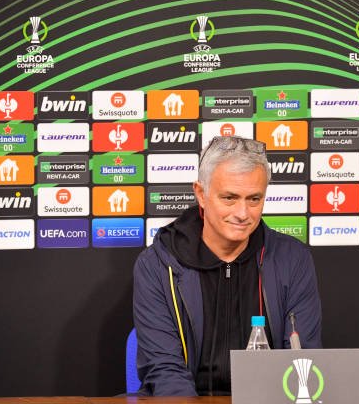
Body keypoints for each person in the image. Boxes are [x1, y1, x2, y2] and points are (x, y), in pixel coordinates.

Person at [132, 136, 322, 396]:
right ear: (201, 194)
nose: (243, 214)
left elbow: (301, 359)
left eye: (254, 199)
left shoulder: (293, 259)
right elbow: (164, 370)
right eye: (230, 198)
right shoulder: (156, 264)